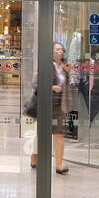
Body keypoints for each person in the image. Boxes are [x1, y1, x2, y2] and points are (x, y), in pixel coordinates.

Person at [28, 42, 73, 174]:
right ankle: (34, 157)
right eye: (57, 49)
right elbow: (35, 83)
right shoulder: (45, 65)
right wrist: (51, 87)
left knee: (59, 134)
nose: (60, 51)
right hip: (44, 102)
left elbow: (69, 83)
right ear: (52, 52)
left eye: (61, 49)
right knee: (41, 133)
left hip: (59, 104)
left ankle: (59, 165)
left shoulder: (66, 67)